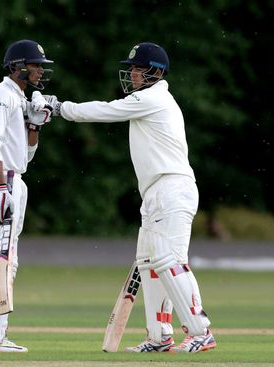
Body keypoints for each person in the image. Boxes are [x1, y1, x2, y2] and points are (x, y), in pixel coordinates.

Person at [36, 42, 216, 353]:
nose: (131, 72)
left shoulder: (153, 98)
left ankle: (200, 330)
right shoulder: (149, 100)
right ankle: (160, 337)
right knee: (148, 264)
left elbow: (106, 110)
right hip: (155, 193)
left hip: (172, 188)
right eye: (131, 68)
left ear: (155, 72)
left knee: (169, 260)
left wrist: (60, 107)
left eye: (137, 68)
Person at [0, 39, 54, 353]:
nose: (40, 71)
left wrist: (35, 126)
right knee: (1, 260)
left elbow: (26, 156)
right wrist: (2, 188)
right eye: (35, 65)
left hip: (12, 178)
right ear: (18, 66)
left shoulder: (19, 100)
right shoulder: (1, 95)